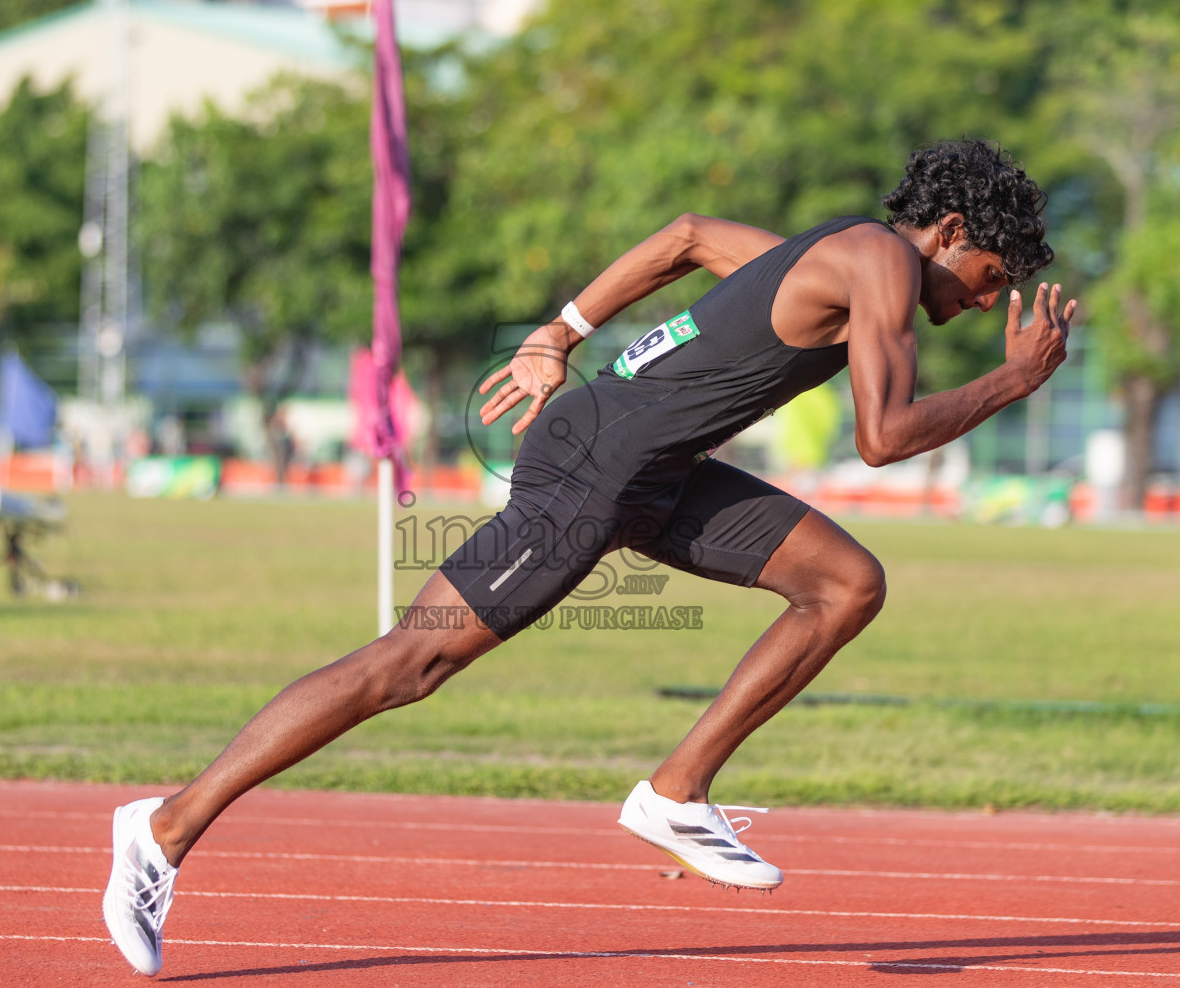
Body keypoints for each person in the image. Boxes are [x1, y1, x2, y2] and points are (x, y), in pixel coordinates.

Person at [102, 138, 1077, 975]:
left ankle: (676, 791)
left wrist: (559, 331)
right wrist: (1015, 379)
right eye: (989, 277)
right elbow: (884, 434)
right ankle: (165, 828)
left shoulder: (833, 255)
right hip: (599, 463)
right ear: (949, 229)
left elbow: (691, 234)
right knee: (411, 661)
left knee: (845, 583)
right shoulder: (882, 264)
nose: (981, 300)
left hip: (649, 470)